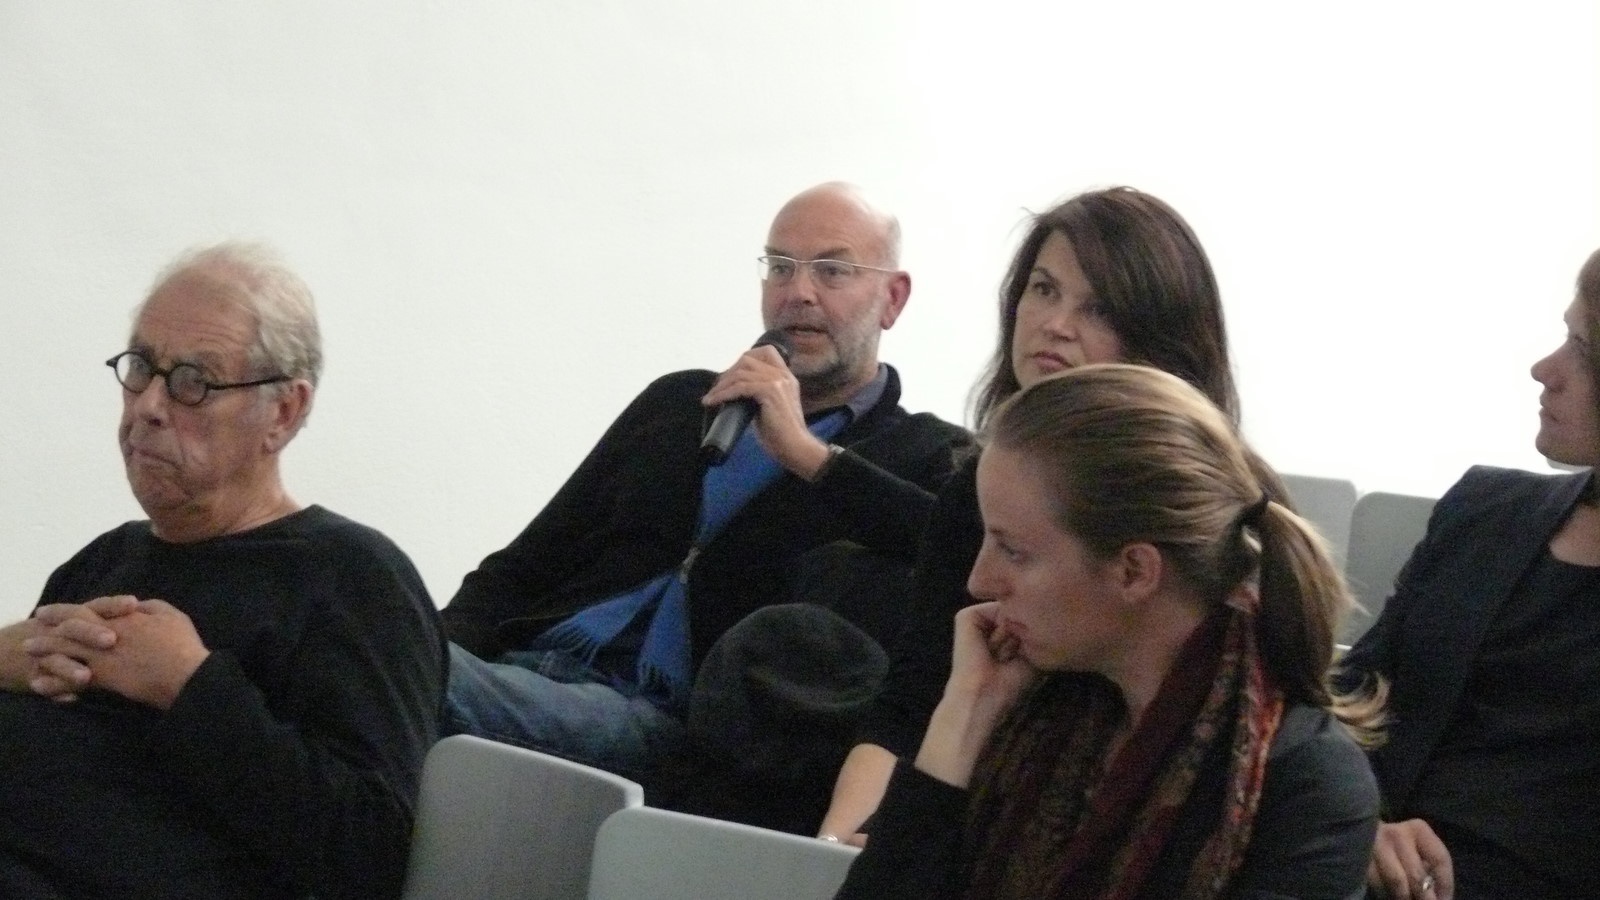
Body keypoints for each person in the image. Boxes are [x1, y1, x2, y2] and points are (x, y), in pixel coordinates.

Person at [440, 181, 972, 779]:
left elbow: (958, 550)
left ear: (892, 299)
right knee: (379, 628)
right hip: (524, 667)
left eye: (832, 271)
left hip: (660, 721)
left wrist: (808, 455)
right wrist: (429, 647)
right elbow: (522, 566)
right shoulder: (680, 403)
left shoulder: (925, 454)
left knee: (384, 649)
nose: (798, 292)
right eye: (780, 267)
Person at [835, 364, 1383, 900]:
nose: (979, 581)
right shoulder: (1032, 715)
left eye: (1013, 550)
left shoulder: (1306, 784)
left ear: (1134, 572)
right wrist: (967, 713)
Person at [0, 243, 446, 899]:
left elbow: (370, 854)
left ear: (284, 412)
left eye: (194, 382)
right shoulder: (101, 561)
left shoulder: (354, 579)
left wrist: (190, 686)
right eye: (141, 368)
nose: (149, 405)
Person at [820, 186, 1240, 842]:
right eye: (1043, 290)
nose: (1055, 324)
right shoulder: (974, 491)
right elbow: (911, 700)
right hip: (959, 792)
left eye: (1097, 307)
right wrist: (837, 850)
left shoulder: (1204, 520)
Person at [1339, 247, 1600, 900]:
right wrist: (1356, 825)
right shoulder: (1485, 509)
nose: (1545, 370)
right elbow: (1351, 698)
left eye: (1582, 349)